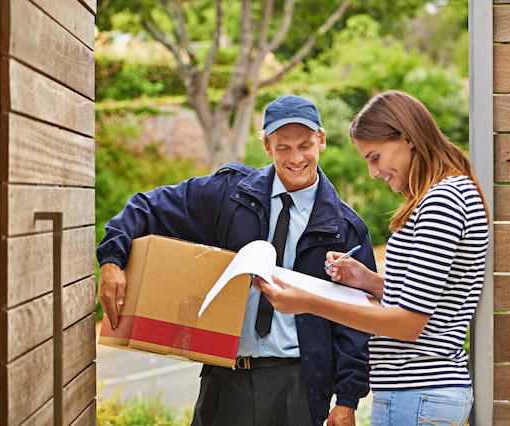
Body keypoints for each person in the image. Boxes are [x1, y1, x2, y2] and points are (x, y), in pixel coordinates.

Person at [96, 94, 377, 426]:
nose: (296, 157)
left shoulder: (345, 227)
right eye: (283, 147)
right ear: (267, 146)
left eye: (304, 145)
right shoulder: (230, 195)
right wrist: (112, 259)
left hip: (298, 387)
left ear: (322, 141)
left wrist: (347, 400)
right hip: (226, 380)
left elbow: (357, 321)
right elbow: (147, 206)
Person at [255, 90, 490, 426]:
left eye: (375, 157)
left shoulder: (442, 201)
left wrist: (308, 302)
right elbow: (431, 300)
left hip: (419, 394)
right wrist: (367, 281)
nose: (373, 172)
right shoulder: (446, 194)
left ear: (406, 139)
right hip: (419, 395)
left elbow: (408, 323)